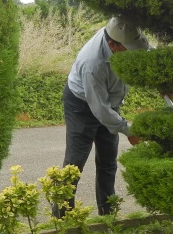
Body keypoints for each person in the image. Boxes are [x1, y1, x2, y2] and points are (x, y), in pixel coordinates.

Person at [57, 16, 150, 217]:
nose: (134, 56)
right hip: (81, 105)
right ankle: (62, 219)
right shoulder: (92, 63)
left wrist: (164, 82)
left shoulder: (125, 33)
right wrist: (128, 130)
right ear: (112, 45)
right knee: (75, 162)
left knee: (108, 159)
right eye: (129, 52)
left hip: (109, 103)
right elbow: (99, 109)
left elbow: (148, 55)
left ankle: (108, 214)